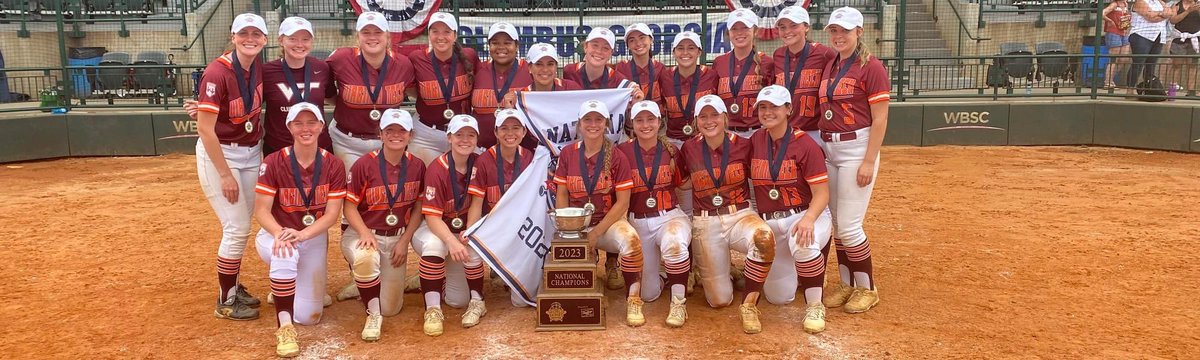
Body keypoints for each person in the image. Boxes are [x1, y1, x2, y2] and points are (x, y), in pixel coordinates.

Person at [328, 11, 415, 303]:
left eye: (378, 32)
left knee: (393, 193)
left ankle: (404, 261)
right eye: (366, 32)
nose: (372, 37)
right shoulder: (340, 59)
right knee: (351, 200)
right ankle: (359, 270)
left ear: (388, 37)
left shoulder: (403, 64)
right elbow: (326, 92)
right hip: (349, 141)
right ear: (358, 37)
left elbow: (416, 90)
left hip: (388, 140)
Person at [251, 102, 346, 357]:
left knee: (310, 316)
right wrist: (280, 233)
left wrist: (303, 234)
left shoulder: (333, 164)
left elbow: (332, 214)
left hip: (311, 235)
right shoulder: (273, 161)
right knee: (286, 253)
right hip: (277, 233)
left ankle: (282, 288)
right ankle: (284, 327)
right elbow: (261, 210)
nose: (306, 128)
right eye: (299, 123)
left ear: (321, 126)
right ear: (289, 127)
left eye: (311, 122)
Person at [677, 94, 775, 334]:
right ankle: (724, 268)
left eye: (714, 115)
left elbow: (759, 178)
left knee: (763, 238)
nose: (709, 121)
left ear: (724, 117)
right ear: (696, 121)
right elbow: (681, 183)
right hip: (706, 219)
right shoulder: (688, 148)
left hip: (740, 214)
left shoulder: (743, 144)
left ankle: (749, 305)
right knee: (719, 300)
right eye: (703, 116)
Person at [195, 13, 268, 322]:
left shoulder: (256, 68)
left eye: (256, 34)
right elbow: (205, 129)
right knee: (236, 227)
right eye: (244, 33)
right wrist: (225, 173)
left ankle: (233, 287)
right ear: (233, 36)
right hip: (222, 154)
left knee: (243, 224)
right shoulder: (217, 72)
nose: (250, 39)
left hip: (252, 151)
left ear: (265, 40)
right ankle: (226, 300)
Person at [818, 7, 890, 314]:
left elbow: (881, 117)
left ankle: (867, 288)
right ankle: (848, 283)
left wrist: (868, 160)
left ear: (859, 32)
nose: (838, 36)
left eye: (845, 31)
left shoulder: (871, 67)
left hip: (856, 148)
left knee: (849, 226)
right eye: (834, 30)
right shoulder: (831, 63)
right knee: (837, 223)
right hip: (830, 147)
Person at [553, 100, 645, 326]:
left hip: (607, 224)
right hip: (577, 225)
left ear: (606, 124)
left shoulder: (616, 155)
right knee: (569, 279)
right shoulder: (568, 153)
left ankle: (633, 300)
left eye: (598, 120)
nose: (593, 124)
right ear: (579, 124)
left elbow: (623, 203)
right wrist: (569, 229)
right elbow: (562, 194)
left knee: (631, 242)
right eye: (587, 120)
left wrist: (595, 235)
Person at [749, 85, 833, 334]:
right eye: (762, 107)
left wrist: (808, 218)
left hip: (804, 214)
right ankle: (804, 271)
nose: (767, 112)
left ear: (788, 109)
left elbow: (822, 193)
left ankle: (815, 304)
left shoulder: (805, 144)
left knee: (804, 242)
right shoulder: (755, 141)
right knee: (778, 297)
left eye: (774, 107)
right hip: (772, 222)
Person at [341, 109, 427, 342]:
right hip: (364, 234)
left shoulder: (418, 166)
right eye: (389, 130)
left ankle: (366, 285)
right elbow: (349, 207)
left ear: (411, 135)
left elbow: (419, 208)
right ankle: (372, 314)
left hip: (396, 238)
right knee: (366, 257)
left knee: (392, 308)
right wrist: (364, 232)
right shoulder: (364, 165)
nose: (395, 135)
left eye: (402, 131)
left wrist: (404, 241)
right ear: (380, 134)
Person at [617, 101, 692, 328]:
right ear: (632, 123)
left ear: (659, 122)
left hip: (669, 215)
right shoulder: (622, 152)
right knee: (649, 295)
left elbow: (685, 184)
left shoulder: (671, 150)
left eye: (651, 119)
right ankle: (664, 276)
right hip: (638, 220)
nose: (645, 124)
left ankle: (678, 302)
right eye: (640, 120)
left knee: (675, 243)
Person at [413, 115, 487, 336]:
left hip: (462, 229)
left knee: (457, 301)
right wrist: (451, 242)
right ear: (449, 138)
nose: (465, 139)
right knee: (434, 247)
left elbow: (477, 202)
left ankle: (475, 300)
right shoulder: (438, 168)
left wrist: (469, 230)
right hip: (436, 228)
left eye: (471, 135)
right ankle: (432, 309)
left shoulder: (480, 161)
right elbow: (432, 217)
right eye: (459, 135)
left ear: (477, 138)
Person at [658, 31, 717, 218]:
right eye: (681, 48)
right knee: (680, 186)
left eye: (691, 48)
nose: (686, 53)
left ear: (699, 52)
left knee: (704, 182)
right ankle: (685, 221)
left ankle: (705, 221)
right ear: (674, 52)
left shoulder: (712, 75)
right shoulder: (664, 76)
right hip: (674, 140)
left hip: (702, 140)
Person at [409, 12, 480, 161]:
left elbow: (478, 86)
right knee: (427, 178)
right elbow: (411, 90)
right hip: (426, 134)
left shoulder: (469, 56)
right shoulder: (417, 58)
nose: (440, 37)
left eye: (447, 32)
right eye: (435, 31)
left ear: (455, 35)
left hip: (462, 132)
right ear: (429, 34)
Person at [263, 17, 335, 155]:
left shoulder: (322, 68)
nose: (299, 44)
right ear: (281, 40)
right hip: (279, 151)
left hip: (319, 148)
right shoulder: (266, 72)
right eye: (293, 39)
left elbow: (333, 98)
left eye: (305, 39)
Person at [772, 6, 837, 145]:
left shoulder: (824, 54)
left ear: (806, 27)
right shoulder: (778, 55)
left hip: (814, 132)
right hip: (785, 130)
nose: (787, 31)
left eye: (793, 25)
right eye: (782, 27)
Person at [714, 8, 776, 139]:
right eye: (734, 29)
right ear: (728, 32)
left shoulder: (767, 62)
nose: (739, 33)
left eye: (745, 28)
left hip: (758, 132)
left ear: (755, 31)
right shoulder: (719, 62)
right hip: (727, 133)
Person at [471, 22, 533, 149]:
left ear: (517, 46)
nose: (501, 47)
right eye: (495, 43)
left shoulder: (530, 71)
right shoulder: (478, 69)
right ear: (489, 46)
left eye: (507, 43)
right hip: (482, 150)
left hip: (523, 152)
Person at [564, 27, 646, 102]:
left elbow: (632, 96)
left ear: (611, 53)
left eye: (606, 48)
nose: (599, 51)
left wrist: (636, 99)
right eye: (595, 45)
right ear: (585, 47)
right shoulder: (569, 71)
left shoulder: (618, 81)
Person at [1128, 0, 1174, 94]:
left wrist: (1160, 14)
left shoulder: (1160, 2)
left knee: (1151, 64)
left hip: (1158, 35)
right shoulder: (1140, 1)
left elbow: (1170, 13)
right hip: (1141, 35)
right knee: (1138, 63)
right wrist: (1163, 14)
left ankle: (1148, 87)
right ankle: (1130, 89)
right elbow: (1151, 17)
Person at [616, 23, 665, 105]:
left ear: (651, 40)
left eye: (642, 38)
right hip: (631, 117)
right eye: (632, 40)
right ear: (628, 46)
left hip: (655, 116)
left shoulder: (660, 68)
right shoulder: (621, 68)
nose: (638, 43)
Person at [1169, 0, 1200, 90]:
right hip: (1179, 39)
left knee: (1193, 65)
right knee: (1176, 65)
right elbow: (1172, 20)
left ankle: (1191, 91)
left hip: (1195, 40)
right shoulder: (1176, 5)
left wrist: (1197, 10)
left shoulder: (1198, 4)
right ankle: (1172, 91)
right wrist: (1187, 11)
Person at [1103, 0, 1133, 89]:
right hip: (1114, 32)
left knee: (1123, 58)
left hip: (1124, 32)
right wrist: (1110, 21)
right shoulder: (1114, 5)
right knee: (1113, 58)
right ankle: (1108, 82)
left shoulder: (1125, 4)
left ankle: (1110, 78)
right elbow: (1102, 13)